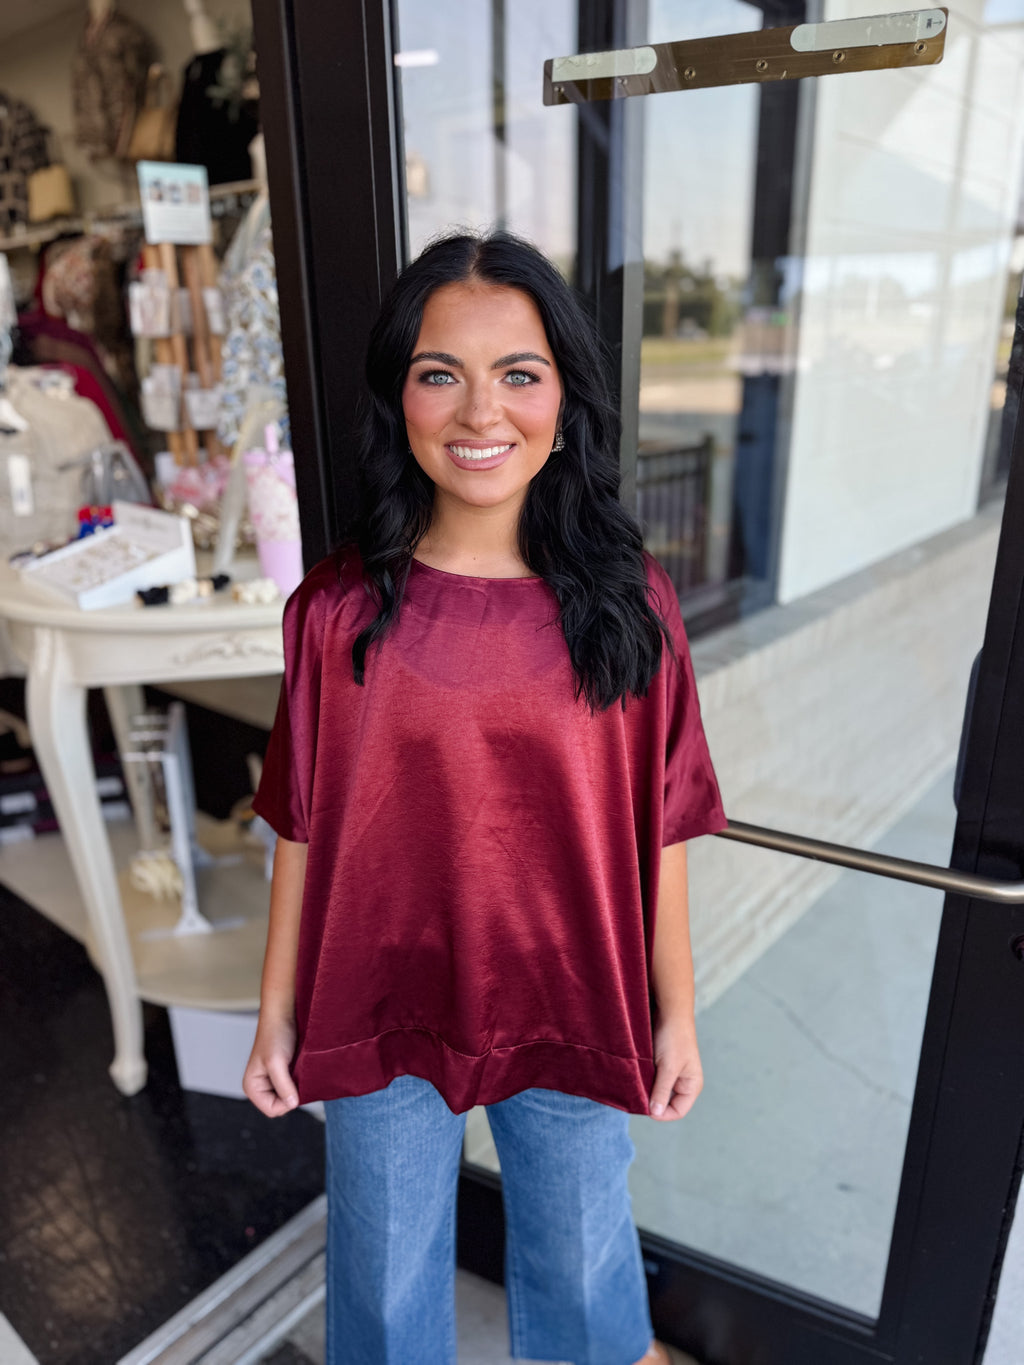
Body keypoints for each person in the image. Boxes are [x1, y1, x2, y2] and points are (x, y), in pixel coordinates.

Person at [242, 231, 727, 1365]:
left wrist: (677, 1012)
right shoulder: (335, 612)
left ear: (564, 396)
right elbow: (303, 827)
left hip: (572, 996)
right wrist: (277, 1012)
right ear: (398, 399)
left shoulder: (628, 606)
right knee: (385, 1279)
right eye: (438, 373)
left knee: (585, 1272)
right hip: (378, 999)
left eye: (517, 373)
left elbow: (662, 828)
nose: (479, 414)